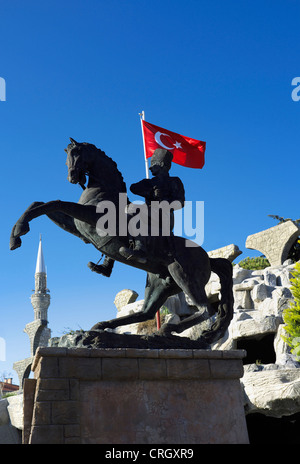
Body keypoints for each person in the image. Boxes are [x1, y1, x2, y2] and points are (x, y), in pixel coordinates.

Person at [119, 148, 185, 263]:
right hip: (149, 212)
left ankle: (141, 249)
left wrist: (162, 202)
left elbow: (180, 202)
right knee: (126, 213)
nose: (150, 168)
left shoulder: (174, 181)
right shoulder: (150, 182)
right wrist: (149, 192)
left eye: (153, 164)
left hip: (165, 217)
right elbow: (133, 188)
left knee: (133, 208)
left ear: (162, 165)